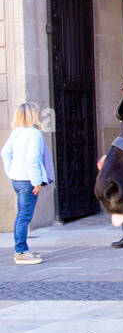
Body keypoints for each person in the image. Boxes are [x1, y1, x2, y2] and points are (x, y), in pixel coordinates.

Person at [3, 102, 55, 265]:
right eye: (37, 112)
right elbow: (33, 159)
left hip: (17, 179)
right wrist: (36, 182)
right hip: (27, 180)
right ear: (32, 115)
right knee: (24, 216)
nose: (39, 115)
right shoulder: (34, 134)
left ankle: (21, 249)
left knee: (21, 215)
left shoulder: (16, 132)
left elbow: (5, 152)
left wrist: (11, 171)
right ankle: (21, 251)